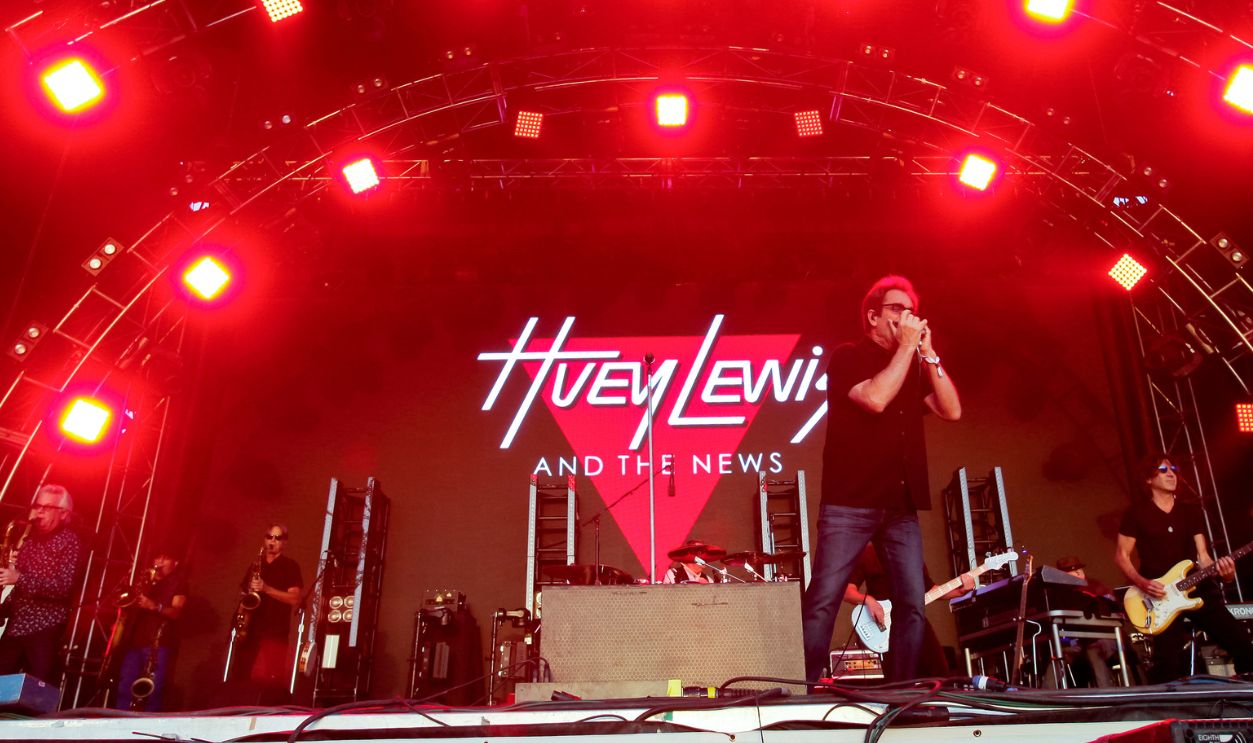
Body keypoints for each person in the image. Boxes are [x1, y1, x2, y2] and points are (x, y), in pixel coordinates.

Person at [801, 275, 961, 682]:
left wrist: (930, 355)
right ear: (873, 316)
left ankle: (902, 691)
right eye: (895, 308)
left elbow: (951, 410)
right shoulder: (847, 357)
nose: (905, 316)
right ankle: (808, 685)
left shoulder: (912, 365)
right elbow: (874, 398)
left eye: (909, 310)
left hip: (900, 505)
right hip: (849, 501)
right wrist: (907, 347)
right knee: (823, 597)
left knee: (911, 603)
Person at [1114, 453, 1253, 683]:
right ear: (1148, 479)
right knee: (1167, 662)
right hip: (1159, 595)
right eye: (1163, 470)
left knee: (1241, 642)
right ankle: (1163, 711)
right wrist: (1142, 583)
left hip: (1196, 588)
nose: (1171, 474)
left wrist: (1226, 574)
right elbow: (1121, 556)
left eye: (1173, 469)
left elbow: (1203, 558)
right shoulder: (1136, 513)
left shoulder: (1190, 511)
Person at [842, 544, 973, 677]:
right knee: (898, 678)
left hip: (913, 618)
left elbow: (930, 590)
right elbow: (847, 592)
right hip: (883, 625)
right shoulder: (867, 551)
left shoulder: (911, 552)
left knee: (939, 673)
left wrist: (960, 591)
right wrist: (868, 600)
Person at [0, 484, 87, 683]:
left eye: (46, 507)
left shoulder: (70, 542)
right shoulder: (29, 541)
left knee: (37, 693)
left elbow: (63, 587)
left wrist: (19, 578)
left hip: (44, 628)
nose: (39, 512)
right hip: (15, 626)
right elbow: (17, 586)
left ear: (64, 514)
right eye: (37, 506)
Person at [114, 552, 187, 710]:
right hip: (135, 641)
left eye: (164, 558)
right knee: (124, 687)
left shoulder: (178, 582)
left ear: (175, 562)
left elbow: (176, 612)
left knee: (152, 692)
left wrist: (154, 606)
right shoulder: (146, 581)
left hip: (158, 643)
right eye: (157, 557)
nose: (159, 562)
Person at [231, 523, 302, 685]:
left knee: (272, 678)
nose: (272, 541)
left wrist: (266, 588)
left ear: (285, 542)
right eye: (269, 537)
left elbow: (295, 598)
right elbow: (244, 595)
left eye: (277, 538)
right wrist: (241, 616)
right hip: (251, 627)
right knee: (240, 674)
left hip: (275, 630)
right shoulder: (256, 565)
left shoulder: (290, 566)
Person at [661, 539, 725, 584]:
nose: (703, 557)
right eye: (699, 553)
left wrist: (707, 589)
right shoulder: (673, 573)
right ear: (689, 556)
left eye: (704, 553)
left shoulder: (708, 580)